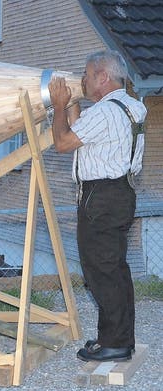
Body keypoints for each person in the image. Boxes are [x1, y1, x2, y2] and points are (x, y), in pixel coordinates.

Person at [48, 50, 147, 362]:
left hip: (100, 198)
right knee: (113, 269)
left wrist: (58, 107)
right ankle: (114, 338)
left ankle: (115, 343)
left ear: (103, 77)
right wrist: (76, 99)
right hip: (120, 194)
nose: (84, 79)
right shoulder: (130, 106)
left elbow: (63, 143)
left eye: (88, 75)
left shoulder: (105, 113)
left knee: (100, 271)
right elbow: (82, 133)